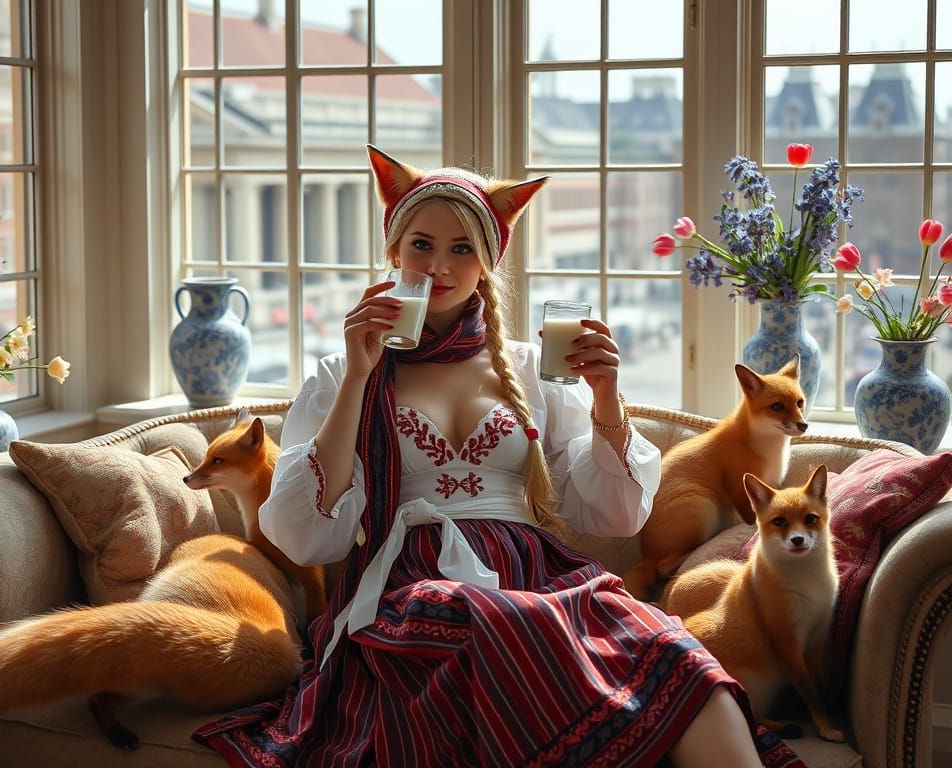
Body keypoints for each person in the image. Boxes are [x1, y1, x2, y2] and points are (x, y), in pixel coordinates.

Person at [194, 146, 803, 768]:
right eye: (422, 244)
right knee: (474, 616)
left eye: (462, 248)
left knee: (683, 664)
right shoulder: (340, 372)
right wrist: (356, 377)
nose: (438, 265)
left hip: (539, 577)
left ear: (488, 261)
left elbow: (614, 516)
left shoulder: (536, 370)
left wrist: (606, 396)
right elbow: (302, 536)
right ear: (394, 252)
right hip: (410, 582)